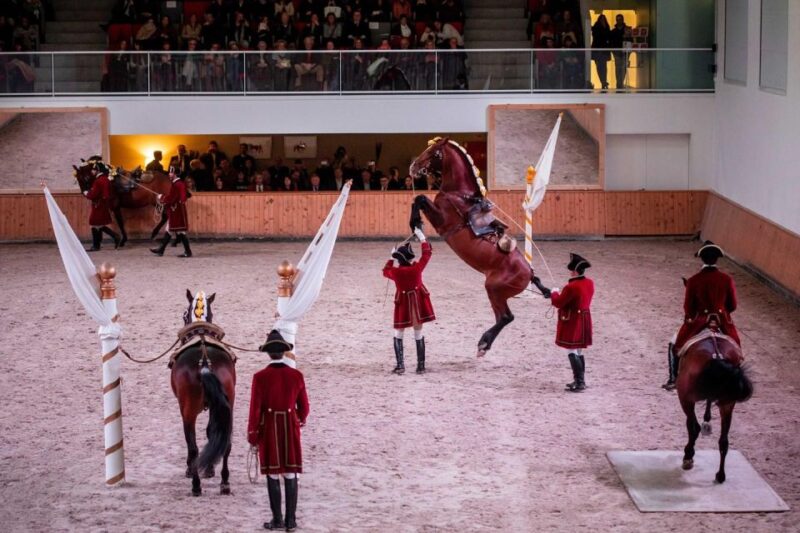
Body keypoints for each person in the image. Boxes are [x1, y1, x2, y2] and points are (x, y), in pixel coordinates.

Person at [247, 329, 309, 532]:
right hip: (290, 427)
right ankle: (291, 521)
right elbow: (305, 408)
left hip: (269, 429)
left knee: (272, 474)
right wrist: (298, 419)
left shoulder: (260, 377)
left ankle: (277, 520)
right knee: (291, 472)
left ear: (268, 353)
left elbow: (255, 410)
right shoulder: (296, 375)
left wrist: (253, 435)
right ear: (284, 352)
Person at [664, 241, 740, 390]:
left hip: (699, 322)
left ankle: (673, 379)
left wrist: (692, 317)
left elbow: (688, 308)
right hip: (722, 321)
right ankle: (737, 377)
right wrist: (722, 312)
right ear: (717, 259)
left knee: (675, 345)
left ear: (702, 259)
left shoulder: (693, 280)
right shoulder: (727, 279)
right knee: (736, 347)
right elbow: (733, 305)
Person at [382, 227, 436, 374]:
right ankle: (421, 366)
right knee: (418, 333)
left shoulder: (396, 272)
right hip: (418, 303)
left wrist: (391, 258)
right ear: (410, 259)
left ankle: (400, 365)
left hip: (403, 304)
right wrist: (422, 238)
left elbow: (385, 271)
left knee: (398, 333)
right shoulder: (416, 269)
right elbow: (427, 254)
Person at [543, 253, 594, 392]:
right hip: (585, 318)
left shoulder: (571, 287)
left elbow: (558, 302)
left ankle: (579, 382)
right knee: (579, 350)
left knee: (572, 350)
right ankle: (580, 380)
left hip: (573, 320)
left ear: (575, 272)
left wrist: (554, 293)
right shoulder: (589, 283)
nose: (570, 273)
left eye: (572, 271)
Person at [151, 166, 191, 257]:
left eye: (171, 173)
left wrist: (161, 197)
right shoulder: (178, 183)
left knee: (179, 231)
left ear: (175, 174)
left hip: (176, 211)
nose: (169, 174)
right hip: (175, 210)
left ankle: (187, 252)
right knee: (170, 229)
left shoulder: (177, 184)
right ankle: (161, 250)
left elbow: (172, 198)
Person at [83, 162, 121, 251]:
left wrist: (87, 193)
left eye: (94, 170)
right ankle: (112, 238)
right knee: (99, 225)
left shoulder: (98, 181)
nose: (92, 171)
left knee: (94, 223)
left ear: (98, 170)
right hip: (103, 204)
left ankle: (97, 245)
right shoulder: (105, 179)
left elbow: (93, 194)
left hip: (98, 204)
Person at [609, 13, 632, 90]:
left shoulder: (628, 30)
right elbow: (611, 42)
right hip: (616, 52)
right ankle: (619, 83)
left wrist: (629, 50)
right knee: (618, 68)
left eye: (620, 19)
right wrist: (613, 50)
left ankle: (620, 83)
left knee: (624, 68)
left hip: (626, 52)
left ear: (623, 20)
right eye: (617, 19)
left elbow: (632, 40)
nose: (619, 21)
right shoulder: (613, 31)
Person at [591, 14, 611, 90]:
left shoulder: (606, 27)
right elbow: (596, 36)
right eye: (601, 19)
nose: (602, 21)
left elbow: (608, 36)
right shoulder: (596, 27)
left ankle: (604, 82)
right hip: (597, 50)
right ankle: (603, 82)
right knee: (599, 67)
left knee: (603, 67)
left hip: (603, 50)